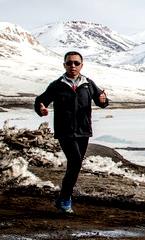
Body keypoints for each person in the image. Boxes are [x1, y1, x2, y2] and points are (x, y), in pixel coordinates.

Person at [34, 51, 109, 213]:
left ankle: (62, 198)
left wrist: (104, 101)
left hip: (83, 131)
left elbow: (100, 100)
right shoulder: (57, 85)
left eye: (76, 63)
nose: (72, 66)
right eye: (69, 63)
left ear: (81, 65)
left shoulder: (88, 84)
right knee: (75, 162)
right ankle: (66, 199)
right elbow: (41, 100)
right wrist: (41, 109)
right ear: (64, 65)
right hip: (65, 131)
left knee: (75, 166)